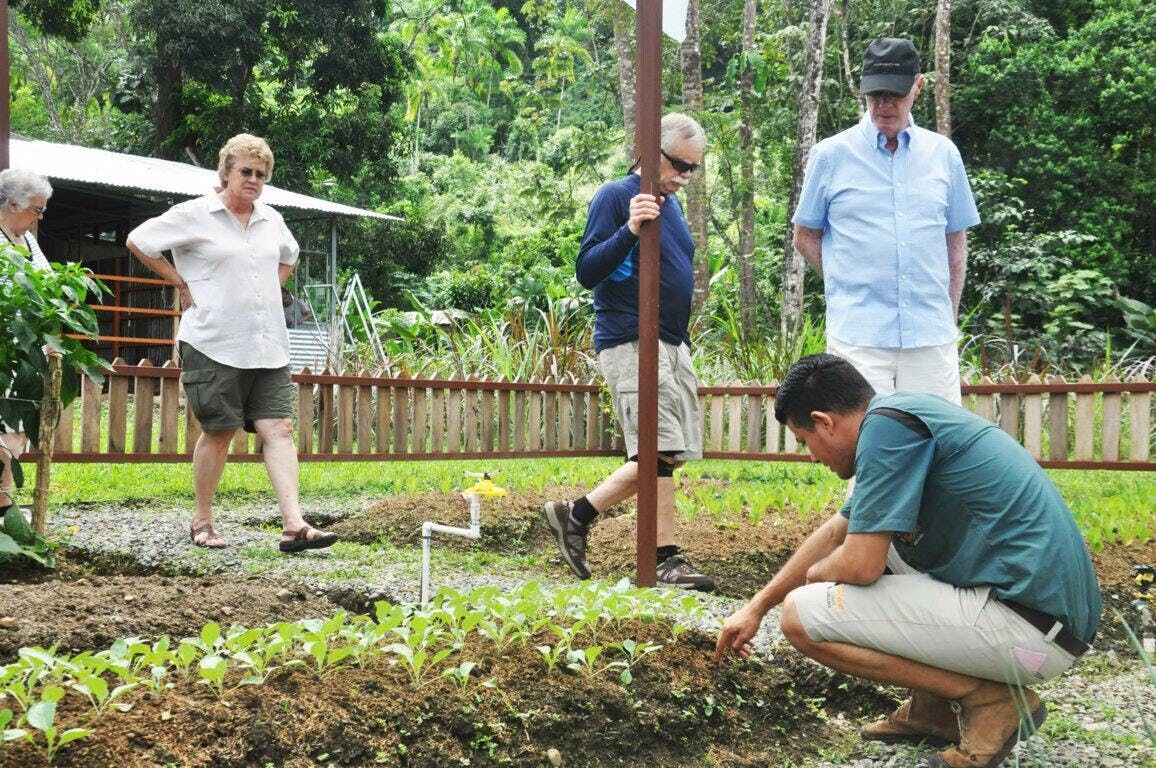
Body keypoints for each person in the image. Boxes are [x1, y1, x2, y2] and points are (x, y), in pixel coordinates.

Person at [715, 353, 1102, 768]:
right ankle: (936, 709)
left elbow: (859, 564)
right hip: (1045, 621)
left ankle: (990, 701)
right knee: (888, 546)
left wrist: (814, 577)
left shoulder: (886, 431)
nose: (812, 456)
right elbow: (834, 534)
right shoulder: (900, 418)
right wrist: (755, 607)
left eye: (804, 441)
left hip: (1029, 630)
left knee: (800, 616)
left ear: (824, 421)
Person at [126, 134, 337, 553]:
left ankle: (294, 525)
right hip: (213, 340)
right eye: (245, 171)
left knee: (279, 428)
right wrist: (180, 283)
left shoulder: (271, 219)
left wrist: (267, 288)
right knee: (219, 430)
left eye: (261, 174)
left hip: (268, 343)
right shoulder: (192, 215)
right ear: (225, 172)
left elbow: (289, 256)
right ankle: (202, 520)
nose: (253, 180)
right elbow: (139, 240)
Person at [542, 113, 714, 592]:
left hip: (671, 343)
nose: (683, 176)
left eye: (692, 169)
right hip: (631, 339)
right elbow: (587, 270)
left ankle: (584, 519)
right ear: (648, 148)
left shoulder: (672, 206)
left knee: (669, 454)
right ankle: (621, 536)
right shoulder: (617, 196)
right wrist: (629, 230)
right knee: (657, 448)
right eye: (678, 164)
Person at [792, 38, 980, 406]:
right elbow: (805, 236)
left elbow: (954, 242)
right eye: (875, 94)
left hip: (931, 333)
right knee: (868, 445)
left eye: (894, 94)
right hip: (858, 335)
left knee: (936, 441)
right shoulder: (831, 155)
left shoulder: (943, 154)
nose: (884, 105)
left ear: (918, 86)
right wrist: (849, 280)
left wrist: (948, 312)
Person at [0, 169, 54, 515]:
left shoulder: (29, 240)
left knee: (16, 424)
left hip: (26, 350)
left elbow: (48, 283)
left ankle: (5, 504)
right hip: (4, 346)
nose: (40, 217)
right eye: (37, 209)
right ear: (12, 203)